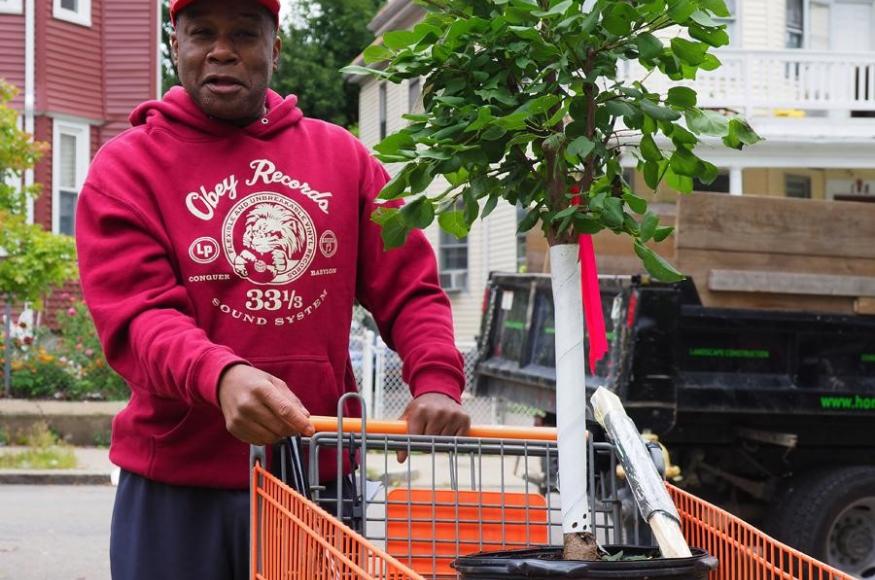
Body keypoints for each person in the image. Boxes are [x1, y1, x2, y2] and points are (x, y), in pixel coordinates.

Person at [75, 0, 470, 578]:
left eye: (244, 34)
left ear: (276, 47)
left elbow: (409, 286)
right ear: (174, 44)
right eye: (201, 32)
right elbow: (138, 319)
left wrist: (437, 381)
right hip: (176, 487)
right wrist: (220, 375)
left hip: (316, 481)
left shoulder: (344, 159)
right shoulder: (126, 170)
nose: (222, 50)